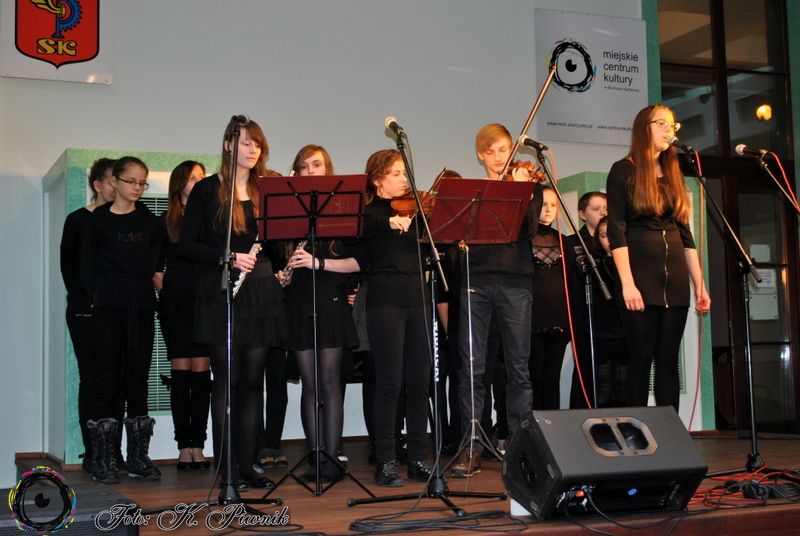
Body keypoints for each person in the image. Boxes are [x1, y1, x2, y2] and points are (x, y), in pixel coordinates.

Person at [179, 118, 286, 488]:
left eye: (257, 143)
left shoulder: (266, 189)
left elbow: (277, 243)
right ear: (228, 145)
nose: (253, 149)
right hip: (221, 288)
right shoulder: (208, 189)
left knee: (254, 382)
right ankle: (226, 467)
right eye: (245, 142)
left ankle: (248, 464)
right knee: (227, 380)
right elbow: (186, 245)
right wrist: (226, 256)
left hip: (260, 290)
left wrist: (282, 264)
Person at [606, 104, 710, 411]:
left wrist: (699, 284)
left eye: (672, 125)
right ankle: (636, 429)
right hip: (640, 276)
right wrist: (627, 283)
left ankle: (670, 431)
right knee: (641, 358)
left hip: (674, 279)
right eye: (661, 123)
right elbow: (616, 229)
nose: (668, 129)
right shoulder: (623, 170)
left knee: (668, 360)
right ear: (644, 128)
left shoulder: (674, 172)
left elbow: (686, 236)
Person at [452, 124, 541, 478]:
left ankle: (519, 448)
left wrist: (523, 192)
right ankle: (472, 446)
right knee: (471, 368)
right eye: (491, 151)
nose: (499, 156)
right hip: (476, 280)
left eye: (504, 149)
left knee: (518, 368)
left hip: (516, 281)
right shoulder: (473, 193)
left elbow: (530, 230)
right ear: (480, 155)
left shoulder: (528, 186)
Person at [351, 149, 433, 487]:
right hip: (384, 301)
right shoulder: (367, 212)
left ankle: (417, 458)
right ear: (377, 179)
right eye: (396, 173)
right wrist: (388, 222)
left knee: (420, 382)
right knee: (389, 382)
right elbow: (357, 230)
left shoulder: (417, 210)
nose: (403, 179)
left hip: (418, 299)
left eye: (404, 173)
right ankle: (385, 460)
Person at [81, 156, 162, 484]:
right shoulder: (96, 222)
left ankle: (138, 459)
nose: (137, 188)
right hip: (106, 309)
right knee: (106, 382)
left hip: (140, 308)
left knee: (138, 381)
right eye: (131, 181)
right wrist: (96, 300)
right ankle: (103, 460)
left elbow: (156, 265)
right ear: (114, 181)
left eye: (142, 182)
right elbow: (87, 268)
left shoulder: (151, 222)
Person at [282, 144, 360, 483]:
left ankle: (331, 459)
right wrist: (283, 276)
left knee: (330, 383)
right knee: (310, 385)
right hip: (299, 302)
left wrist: (318, 262)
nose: (310, 171)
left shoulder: (343, 211)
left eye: (317, 165)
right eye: (304, 166)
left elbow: (358, 263)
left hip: (331, 300)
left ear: (327, 170)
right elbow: (278, 260)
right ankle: (316, 458)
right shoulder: (287, 213)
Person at [153, 161, 211, 471]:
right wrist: (172, 291)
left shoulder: (210, 219)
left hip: (204, 302)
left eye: (202, 177)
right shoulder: (165, 221)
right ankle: (183, 446)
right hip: (175, 303)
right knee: (181, 373)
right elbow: (155, 270)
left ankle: (198, 445)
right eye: (193, 178)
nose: (199, 182)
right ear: (179, 184)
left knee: (201, 374)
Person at [60, 158, 117, 473]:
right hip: (86, 310)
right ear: (98, 185)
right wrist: (87, 302)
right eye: (113, 181)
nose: (119, 187)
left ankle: (114, 452)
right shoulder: (78, 220)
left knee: (117, 380)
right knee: (93, 378)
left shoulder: (126, 220)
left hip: (118, 312)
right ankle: (93, 451)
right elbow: (68, 268)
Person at [564, 191, 607, 409]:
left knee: (608, 368)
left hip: (608, 315)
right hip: (582, 313)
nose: (603, 213)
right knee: (585, 367)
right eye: (596, 209)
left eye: (605, 209)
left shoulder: (612, 242)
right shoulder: (571, 243)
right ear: (582, 214)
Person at [529, 186, 570, 410]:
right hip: (530, 320)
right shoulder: (522, 241)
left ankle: (553, 425)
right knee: (533, 378)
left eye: (553, 205)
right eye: (543, 204)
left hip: (559, 318)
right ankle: (534, 427)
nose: (549, 209)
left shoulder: (564, 241)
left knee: (552, 379)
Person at [591, 216, 628, 407]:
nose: (609, 241)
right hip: (602, 332)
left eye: (613, 235)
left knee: (624, 385)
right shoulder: (594, 264)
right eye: (604, 236)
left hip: (626, 329)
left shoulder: (632, 264)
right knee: (603, 385)